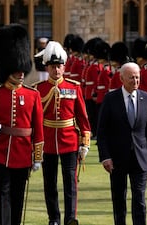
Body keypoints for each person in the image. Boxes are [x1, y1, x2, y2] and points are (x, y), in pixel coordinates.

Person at [0, 24, 44, 225]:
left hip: (23, 152)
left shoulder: (33, 94)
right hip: (0, 152)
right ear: (8, 69)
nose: (21, 73)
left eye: (22, 70)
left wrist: (37, 157)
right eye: (16, 70)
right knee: (2, 195)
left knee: (18, 196)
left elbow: (38, 129)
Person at [34, 41, 91, 225]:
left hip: (69, 141)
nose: (56, 70)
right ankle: (54, 218)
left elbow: (83, 118)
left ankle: (70, 218)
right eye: (52, 67)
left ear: (63, 67)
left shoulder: (74, 87)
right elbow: (34, 120)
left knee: (71, 183)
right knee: (49, 183)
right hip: (48, 141)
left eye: (58, 66)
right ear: (47, 68)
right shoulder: (38, 89)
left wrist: (85, 143)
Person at [97, 62, 147, 225]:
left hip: (140, 157)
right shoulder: (111, 98)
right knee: (119, 199)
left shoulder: (146, 98)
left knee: (139, 199)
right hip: (117, 158)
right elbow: (102, 131)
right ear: (121, 78)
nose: (135, 81)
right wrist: (105, 157)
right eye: (132, 77)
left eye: (138, 77)